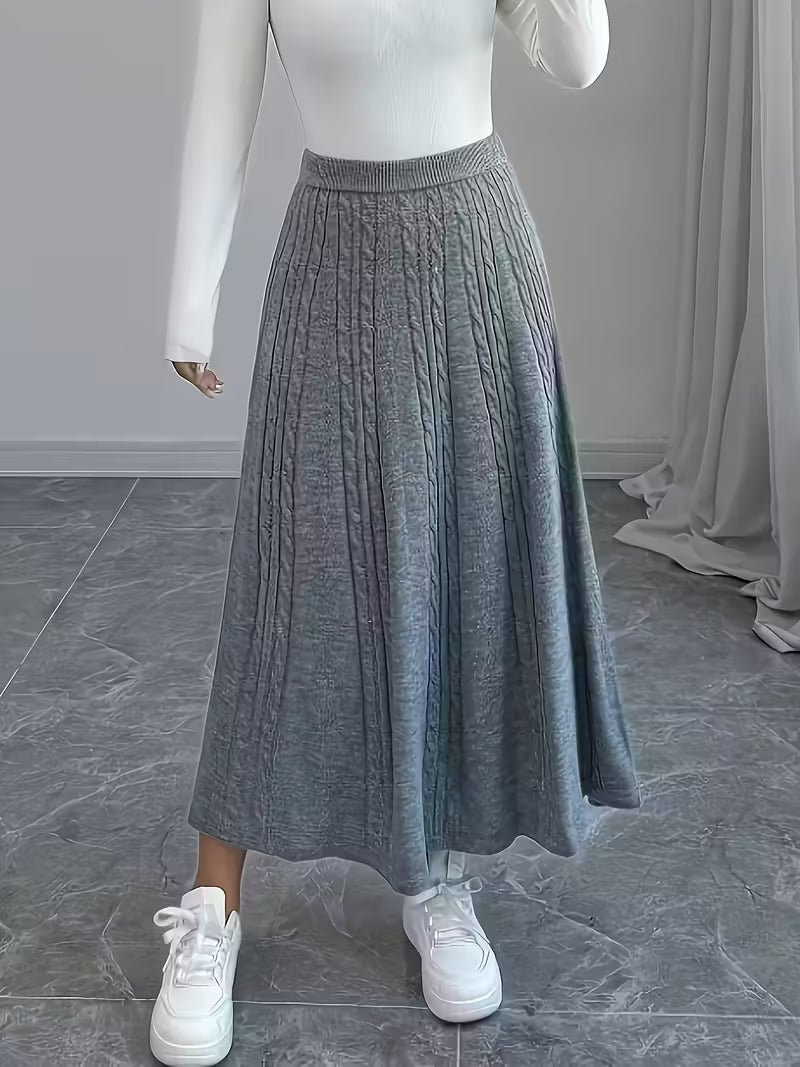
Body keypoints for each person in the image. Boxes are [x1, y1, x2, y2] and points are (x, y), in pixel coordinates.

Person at [149, 1, 640, 1063]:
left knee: (461, 574)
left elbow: (580, 61)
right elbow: (221, 107)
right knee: (290, 584)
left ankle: (434, 874)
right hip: (331, 254)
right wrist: (191, 300)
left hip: (476, 254)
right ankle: (213, 901)